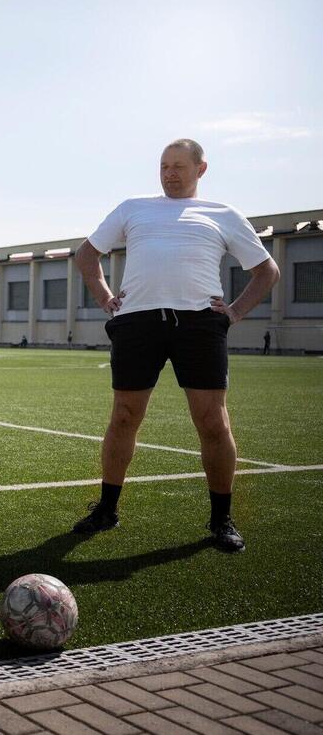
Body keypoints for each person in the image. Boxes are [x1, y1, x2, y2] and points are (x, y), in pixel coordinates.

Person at [72, 139, 280, 553]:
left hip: (199, 326)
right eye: (163, 165)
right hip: (137, 323)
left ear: (200, 169)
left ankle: (221, 519)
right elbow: (86, 255)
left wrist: (234, 312)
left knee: (212, 421)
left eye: (179, 166)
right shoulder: (133, 207)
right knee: (125, 416)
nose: (169, 173)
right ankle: (107, 509)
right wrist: (103, 297)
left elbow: (267, 271)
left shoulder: (223, 214)